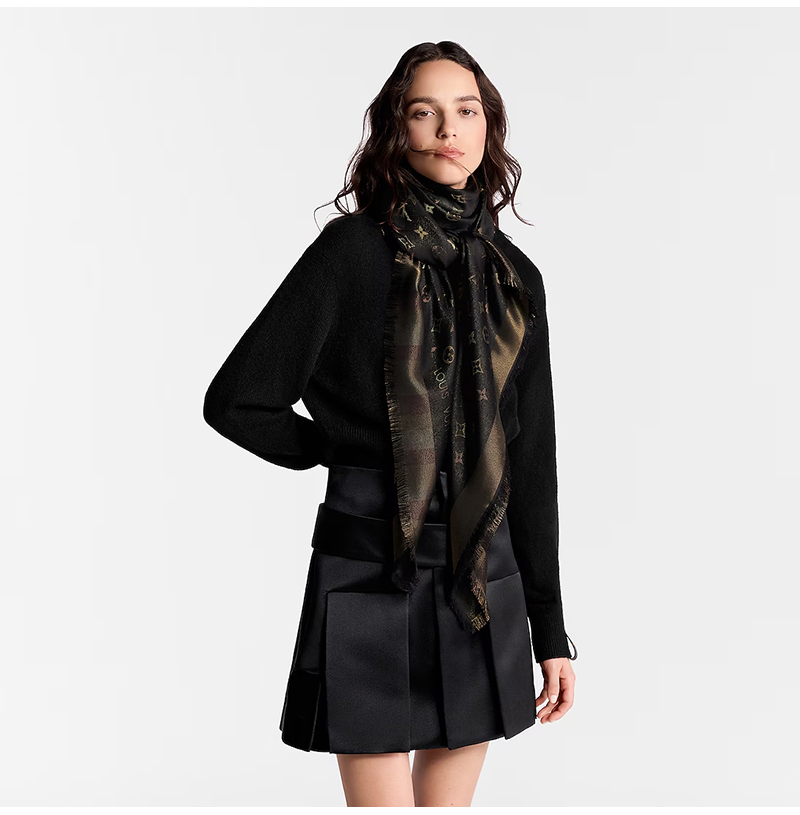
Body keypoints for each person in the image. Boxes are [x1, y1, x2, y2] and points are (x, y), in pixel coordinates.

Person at [203, 41, 577, 807]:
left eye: (466, 110)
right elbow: (239, 398)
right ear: (396, 129)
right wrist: (335, 448)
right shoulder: (350, 253)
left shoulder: (515, 280)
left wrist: (551, 628)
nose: (449, 129)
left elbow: (531, 460)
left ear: (489, 126)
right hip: (371, 561)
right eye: (424, 111)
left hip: (481, 574)